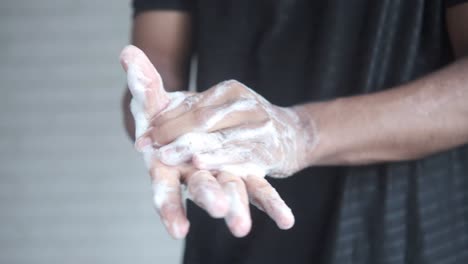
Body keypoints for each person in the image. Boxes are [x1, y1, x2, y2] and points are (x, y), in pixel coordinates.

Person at [121, 1, 468, 263]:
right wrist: (164, 118)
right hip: (229, 196)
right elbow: (156, 64)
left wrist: (303, 132)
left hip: (406, 225)